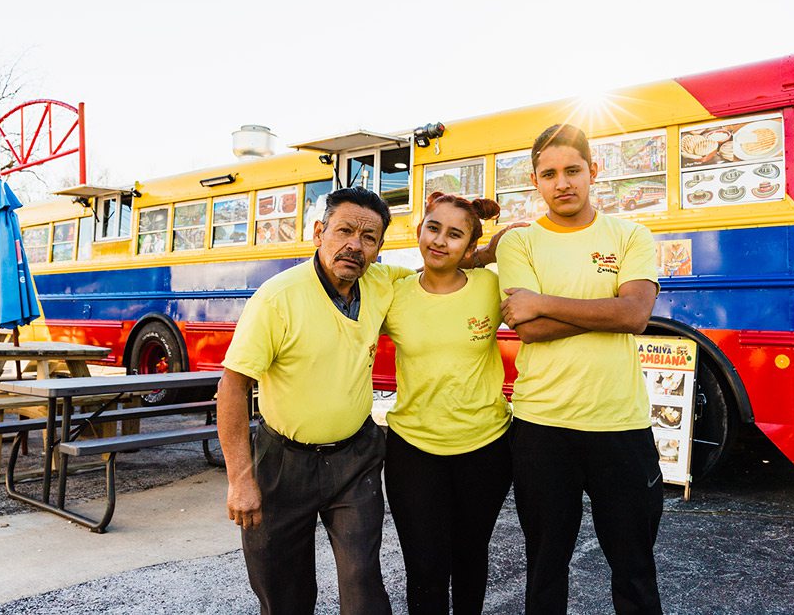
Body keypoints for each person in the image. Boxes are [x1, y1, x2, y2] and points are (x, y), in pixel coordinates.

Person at [217, 186, 414, 614]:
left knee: (363, 583)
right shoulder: (277, 298)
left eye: (368, 238)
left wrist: (483, 248)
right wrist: (240, 478)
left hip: (355, 458)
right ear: (318, 232)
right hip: (282, 462)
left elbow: (440, 267)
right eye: (344, 230)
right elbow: (232, 385)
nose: (354, 245)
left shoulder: (382, 282)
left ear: (379, 249)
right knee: (282, 589)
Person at [496, 123, 664, 614]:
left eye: (572, 170)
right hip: (541, 427)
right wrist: (607, 308)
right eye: (549, 174)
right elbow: (528, 330)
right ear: (535, 181)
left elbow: (635, 315)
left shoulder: (631, 234)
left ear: (595, 171)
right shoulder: (518, 243)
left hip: (621, 425)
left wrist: (543, 302)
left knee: (634, 569)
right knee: (545, 568)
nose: (562, 183)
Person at [382, 192, 513, 614]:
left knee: (470, 558)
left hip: (486, 448)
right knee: (424, 568)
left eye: (455, 235)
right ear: (420, 229)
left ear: (470, 248)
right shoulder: (393, 291)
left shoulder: (491, 287)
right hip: (413, 451)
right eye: (433, 228)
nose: (440, 241)